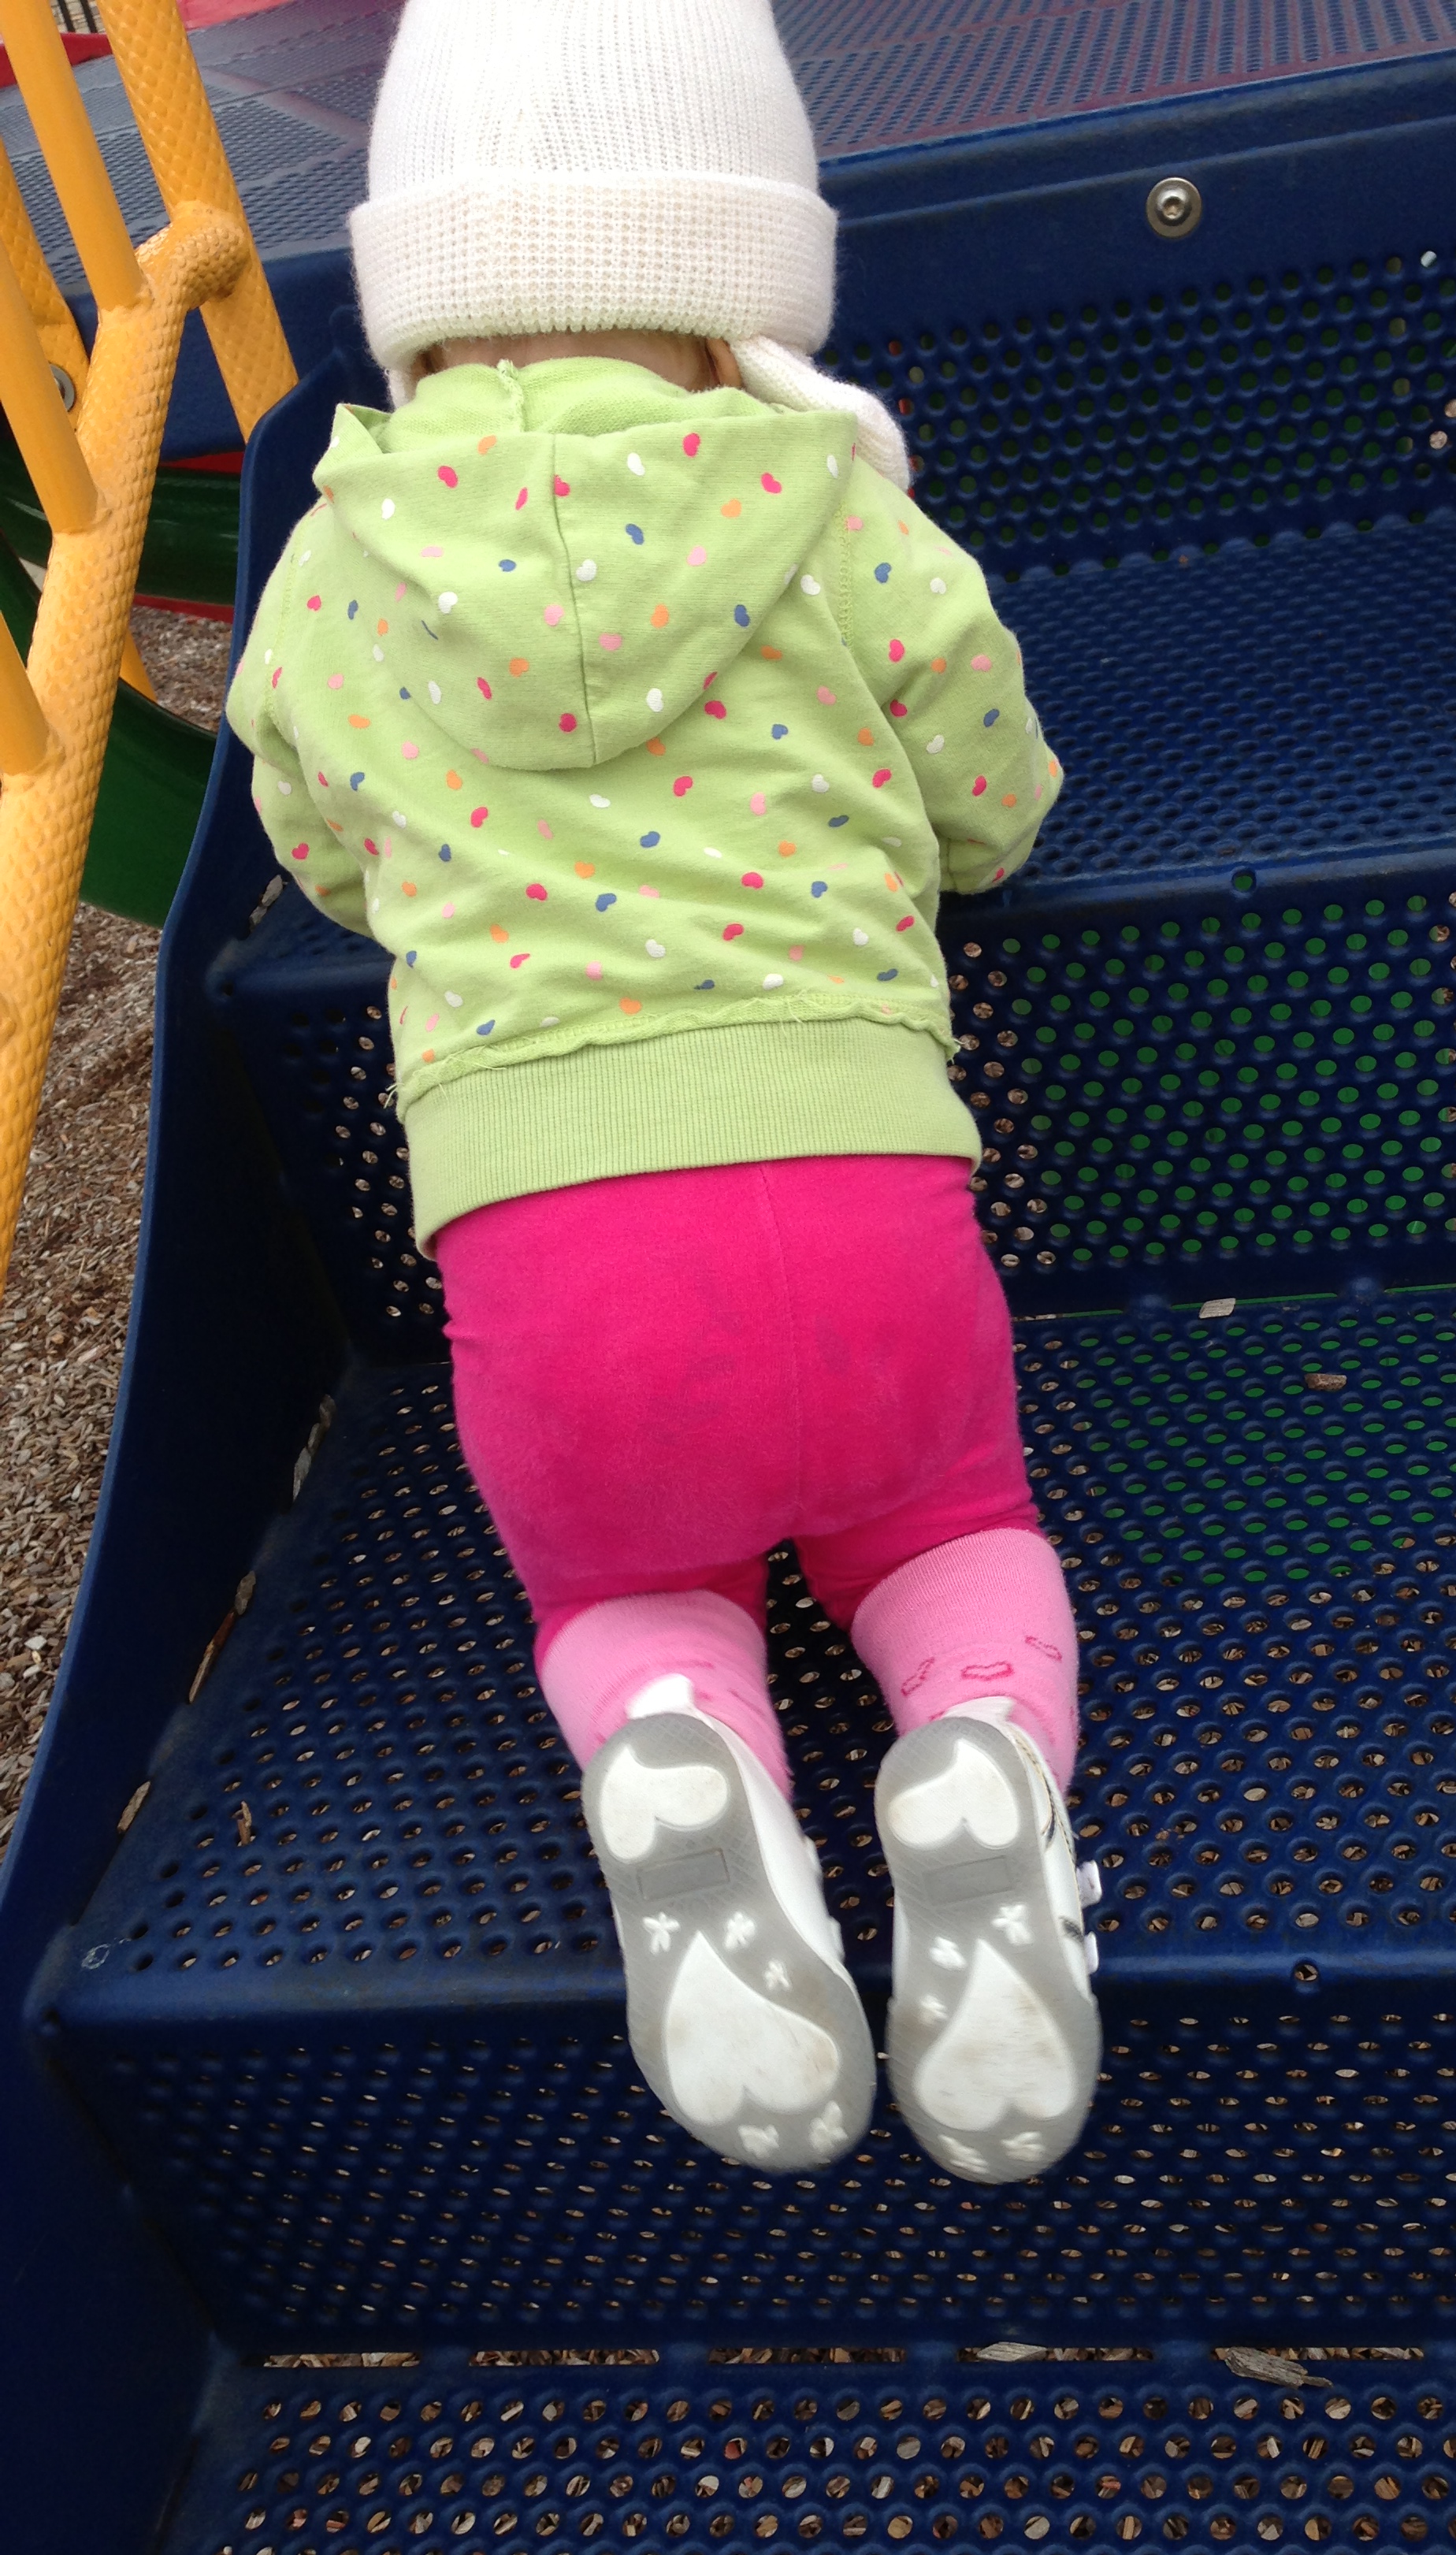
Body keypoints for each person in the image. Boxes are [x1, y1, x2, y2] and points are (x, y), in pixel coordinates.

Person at [226, 0, 1100, 2185]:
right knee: (945, 1525)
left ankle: (675, 1746)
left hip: (547, 1245)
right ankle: (981, 1759)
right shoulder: (826, 509)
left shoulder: (332, 565)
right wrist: (959, 836)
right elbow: (990, 786)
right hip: (861, 1184)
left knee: (624, 1588)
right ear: (741, 287)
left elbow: (317, 846)